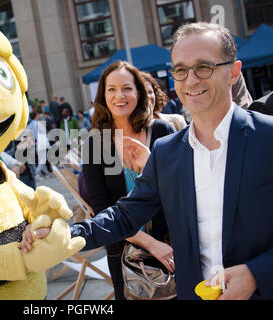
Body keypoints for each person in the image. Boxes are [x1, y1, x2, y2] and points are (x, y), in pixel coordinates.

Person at [22, 22, 273, 300]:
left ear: (233, 72)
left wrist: (256, 273)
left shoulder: (267, 137)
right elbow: (123, 215)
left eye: (204, 67)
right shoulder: (167, 152)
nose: (190, 80)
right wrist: (63, 234)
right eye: (180, 69)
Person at [78, 61, 175, 300]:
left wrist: (150, 165)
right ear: (103, 96)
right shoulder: (95, 144)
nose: (119, 96)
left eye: (127, 88)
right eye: (111, 89)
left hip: (171, 246)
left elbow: (181, 191)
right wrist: (150, 244)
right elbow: (102, 209)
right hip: (123, 251)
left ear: (139, 92)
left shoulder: (162, 131)